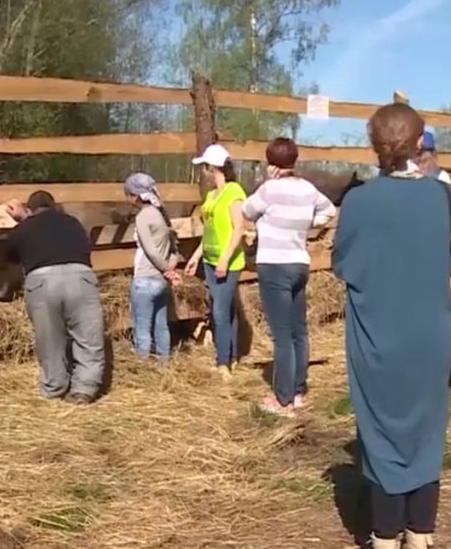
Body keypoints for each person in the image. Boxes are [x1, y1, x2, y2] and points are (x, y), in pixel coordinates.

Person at [333, 102, 451, 549]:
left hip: (376, 335)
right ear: (420, 141)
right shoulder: (441, 197)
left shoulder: (359, 201)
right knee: (426, 429)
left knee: (380, 432)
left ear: (373, 145)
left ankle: (385, 537)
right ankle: (420, 535)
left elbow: (343, 264)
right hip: (431, 333)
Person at [241, 138, 336, 418]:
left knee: (281, 336)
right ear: (294, 161)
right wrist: (306, 223)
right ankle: (297, 389)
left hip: (274, 265)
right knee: (299, 331)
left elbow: (246, 210)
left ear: (271, 163)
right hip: (299, 263)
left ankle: (283, 400)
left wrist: (265, 182)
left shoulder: (269, 189)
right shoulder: (307, 189)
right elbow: (329, 211)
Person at [4, 191, 107, 403]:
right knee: (88, 337)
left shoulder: (23, 228)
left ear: (30, 210)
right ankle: (84, 389)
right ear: (55, 206)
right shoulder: (73, 222)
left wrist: (23, 220)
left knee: (49, 339)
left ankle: (55, 386)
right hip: (80, 277)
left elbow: (9, 254)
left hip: (42, 281)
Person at [184, 143, 246, 378]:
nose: (204, 172)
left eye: (205, 167)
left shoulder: (234, 192)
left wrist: (225, 258)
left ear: (213, 167)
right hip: (210, 258)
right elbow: (209, 229)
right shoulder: (211, 195)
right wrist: (197, 255)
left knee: (220, 311)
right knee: (226, 308)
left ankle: (223, 363)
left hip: (227, 262)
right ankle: (231, 356)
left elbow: (238, 227)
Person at [123, 172, 180, 362]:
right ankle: (163, 364)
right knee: (161, 325)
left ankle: (143, 366)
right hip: (160, 282)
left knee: (142, 326)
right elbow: (174, 250)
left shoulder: (143, 217)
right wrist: (169, 269)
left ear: (135, 196)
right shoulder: (162, 215)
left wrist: (166, 270)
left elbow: (150, 250)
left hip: (145, 279)